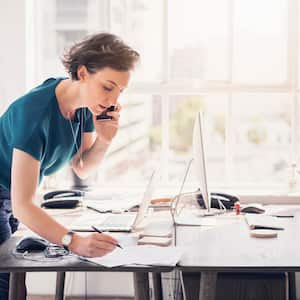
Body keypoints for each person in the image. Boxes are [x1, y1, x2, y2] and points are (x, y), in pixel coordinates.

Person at [0, 32, 139, 299]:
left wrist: (105, 139)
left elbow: (82, 167)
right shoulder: (35, 113)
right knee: (6, 285)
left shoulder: (85, 105)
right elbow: (23, 204)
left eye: (120, 91)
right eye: (108, 87)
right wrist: (74, 242)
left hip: (10, 194)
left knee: (14, 283)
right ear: (84, 73)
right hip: (5, 194)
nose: (112, 100)